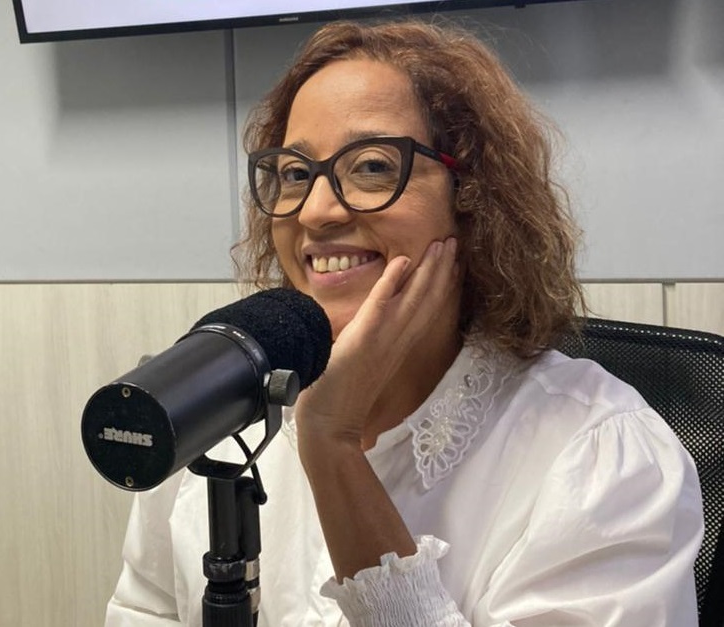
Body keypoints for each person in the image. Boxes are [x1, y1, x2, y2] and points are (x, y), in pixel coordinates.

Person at [104, 19, 703, 626]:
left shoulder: (597, 453)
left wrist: (332, 445)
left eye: (371, 167)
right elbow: (144, 609)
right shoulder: (214, 407)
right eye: (294, 174)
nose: (315, 211)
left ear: (472, 199)